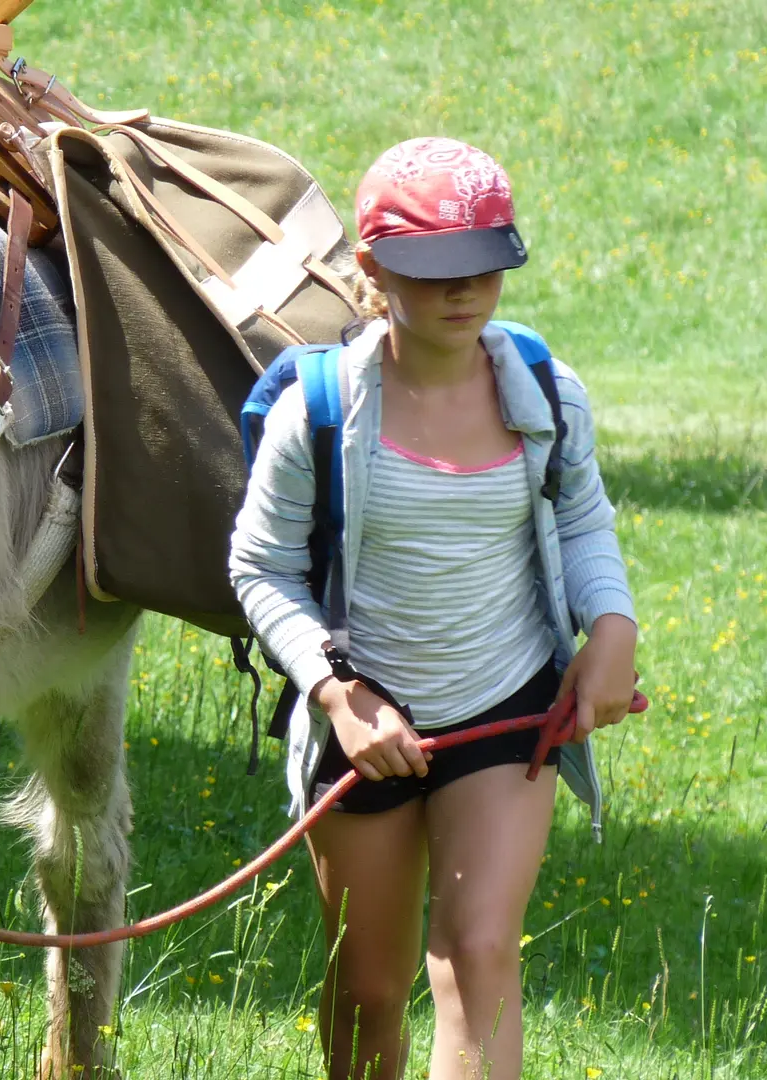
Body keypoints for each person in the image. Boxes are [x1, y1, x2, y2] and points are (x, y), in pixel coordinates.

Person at [228, 137, 640, 1080]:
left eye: (486, 268)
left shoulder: (543, 391)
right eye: (435, 272)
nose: (466, 292)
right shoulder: (320, 413)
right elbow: (259, 570)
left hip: (508, 706)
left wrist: (612, 627)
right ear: (372, 272)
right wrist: (336, 695)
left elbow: (582, 523)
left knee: (476, 954)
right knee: (368, 987)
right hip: (364, 712)